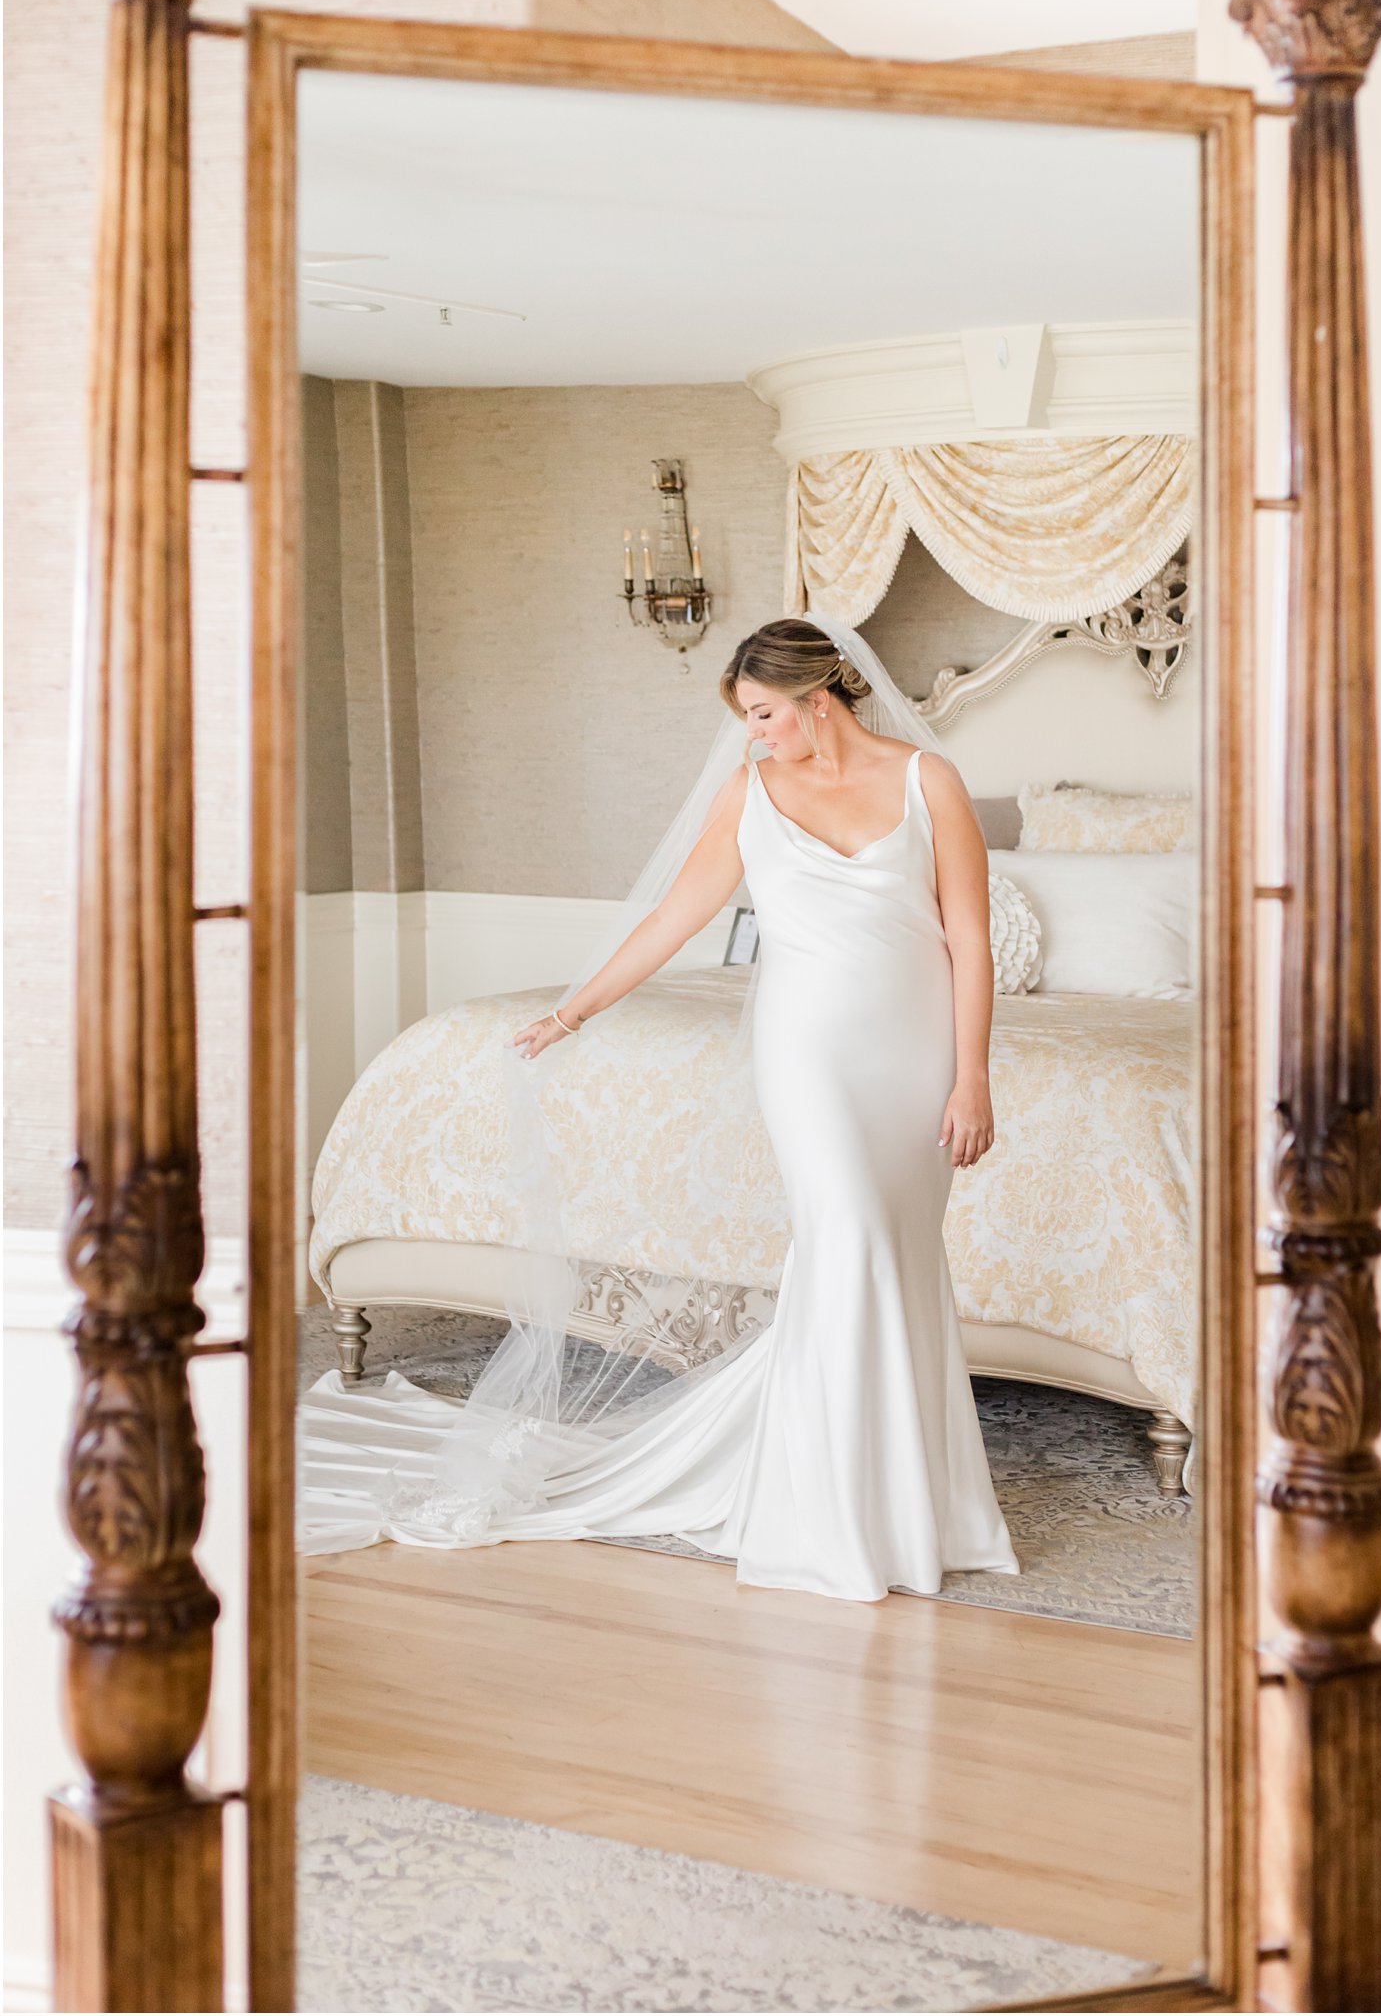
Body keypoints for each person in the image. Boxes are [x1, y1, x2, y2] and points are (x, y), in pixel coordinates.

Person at [299, 617, 1018, 1602]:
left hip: (915, 1048)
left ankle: (912, 1511)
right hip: (806, 1049)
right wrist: (573, 1011)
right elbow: (673, 918)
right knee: (844, 1234)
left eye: (762, 715)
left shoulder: (925, 781)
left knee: (893, 1255)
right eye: (746, 720)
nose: (754, 735)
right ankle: (832, 1520)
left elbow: (969, 940)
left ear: (818, 696)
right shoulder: (750, 793)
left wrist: (970, 1076)